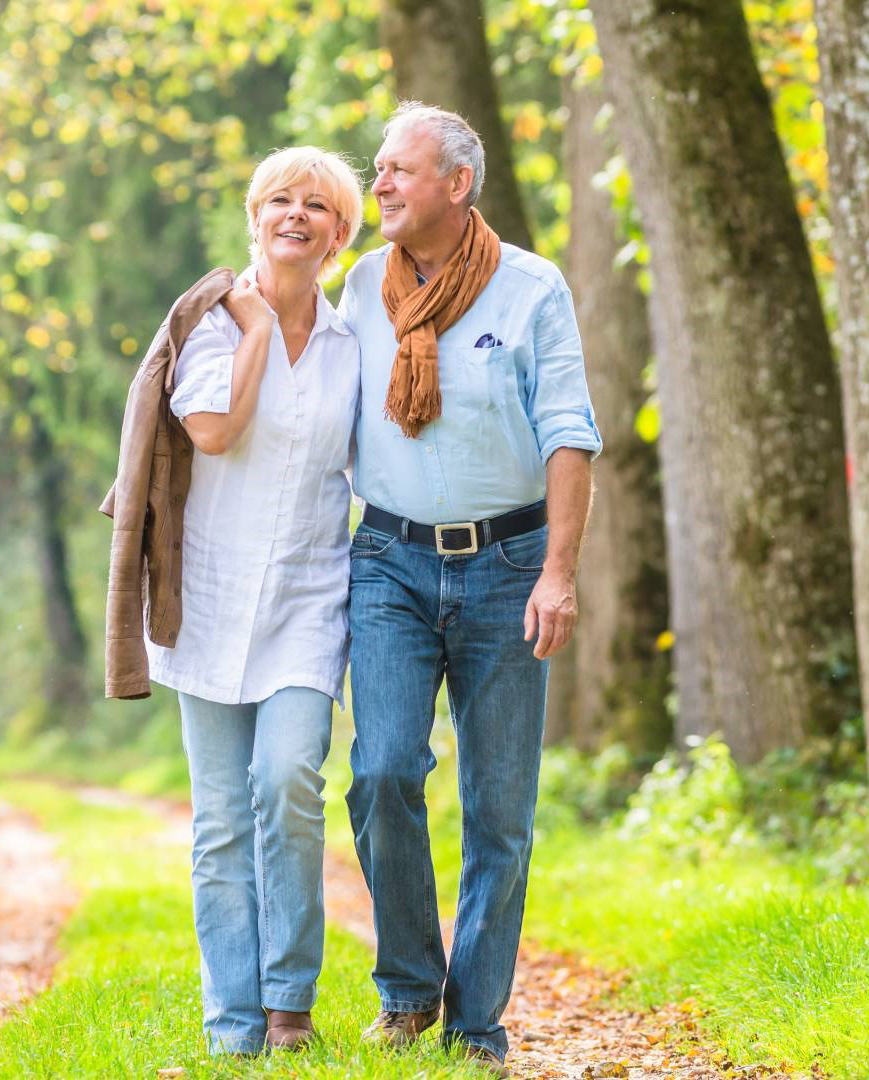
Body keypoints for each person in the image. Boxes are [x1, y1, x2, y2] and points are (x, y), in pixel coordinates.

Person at [338, 102, 601, 1076]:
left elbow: (570, 432)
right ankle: (408, 989)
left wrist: (558, 573)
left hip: (506, 569)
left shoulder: (533, 290)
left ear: (457, 183)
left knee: (500, 811)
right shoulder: (359, 290)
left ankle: (475, 1025)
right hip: (390, 564)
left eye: (400, 171)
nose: (382, 187)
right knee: (382, 772)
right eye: (378, 171)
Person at [142, 146, 364, 1056]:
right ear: (254, 217)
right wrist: (259, 333)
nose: (297, 215)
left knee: (288, 782)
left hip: (311, 599)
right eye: (280, 200)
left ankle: (290, 1001)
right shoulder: (210, 329)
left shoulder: (357, 343)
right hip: (210, 598)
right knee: (223, 820)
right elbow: (214, 431)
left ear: (341, 233)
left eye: (317, 205)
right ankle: (233, 1027)